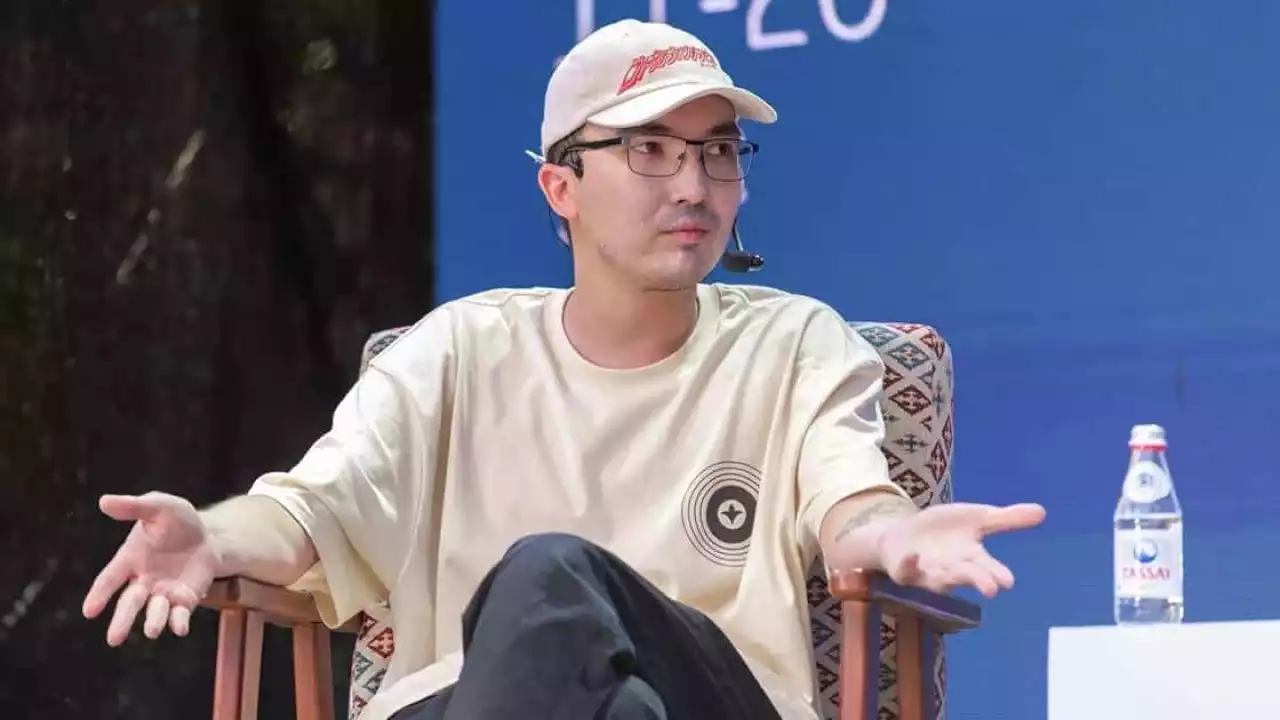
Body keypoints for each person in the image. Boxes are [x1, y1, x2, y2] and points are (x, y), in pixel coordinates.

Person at [82, 18, 1045, 720]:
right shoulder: (457, 349)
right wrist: (211, 537)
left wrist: (893, 537)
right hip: (470, 702)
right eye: (650, 150)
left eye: (718, 152)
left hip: (712, 697)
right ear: (561, 186)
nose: (694, 184)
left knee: (551, 572)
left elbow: (848, 505)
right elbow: (309, 513)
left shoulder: (796, 343)